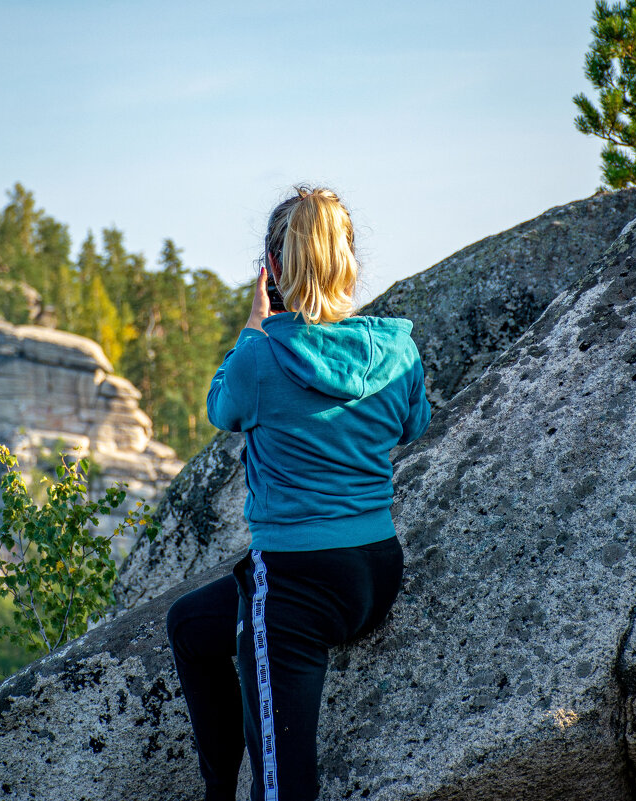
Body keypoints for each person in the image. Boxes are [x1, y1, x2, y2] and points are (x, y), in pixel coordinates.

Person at [166, 187, 431, 801]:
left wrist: (253, 326)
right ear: (348, 260)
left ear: (273, 268)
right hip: (375, 573)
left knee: (283, 784)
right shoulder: (398, 348)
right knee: (190, 625)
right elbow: (413, 425)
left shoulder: (260, 358)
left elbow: (221, 407)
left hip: (294, 587)